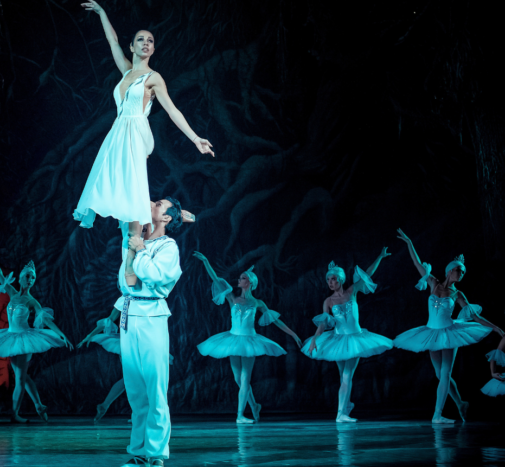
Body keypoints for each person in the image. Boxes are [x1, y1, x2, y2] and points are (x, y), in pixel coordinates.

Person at [74, 0, 212, 284]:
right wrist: (101, 12)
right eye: (141, 40)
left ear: (153, 49)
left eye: (150, 41)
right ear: (132, 46)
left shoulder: (153, 77)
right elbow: (112, 41)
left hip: (136, 133)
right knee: (122, 193)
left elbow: (172, 110)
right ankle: (147, 234)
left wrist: (195, 138)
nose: (146, 43)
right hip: (118, 134)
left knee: (134, 195)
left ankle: (131, 262)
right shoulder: (126, 71)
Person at [394, 229, 503, 423]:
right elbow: (417, 263)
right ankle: (460, 404)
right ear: (450, 270)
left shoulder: (458, 294)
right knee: (440, 374)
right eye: (459, 270)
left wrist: (495, 327)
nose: (461, 274)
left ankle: (437, 415)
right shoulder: (433, 283)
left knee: (445, 373)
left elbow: (475, 316)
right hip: (431, 332)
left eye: (463, 272)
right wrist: (409, 242)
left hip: (450, 333)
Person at [193, 254, 301, 423]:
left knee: (245, 378)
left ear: (249, 282)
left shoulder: (258, 303)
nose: (239, 280)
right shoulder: (232, 298)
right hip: (233, 339)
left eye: (242, 278)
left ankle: (240, 415)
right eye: (240, 277)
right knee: (238, 379)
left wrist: (293, 334)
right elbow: (216, 279)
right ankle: (254, 405)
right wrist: (206, 261)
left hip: (250, 340)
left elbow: (276, 321)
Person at [116, 198, 183, 467]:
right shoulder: (136, 237)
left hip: (152, 316)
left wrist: (140, 249)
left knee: (155, 388)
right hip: (129, 314)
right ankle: (138, 452)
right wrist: (135, 245)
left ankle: (155, 454)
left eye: (159, 204)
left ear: (167, 218)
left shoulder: (168, 246)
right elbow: (125, 281)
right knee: (135, 391)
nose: (152, 203)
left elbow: (154, 275)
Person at [0, 246, 73, 423]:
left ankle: (15, 414)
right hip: (11, 337)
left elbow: (47, 320)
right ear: (21, 277)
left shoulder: (32, 301)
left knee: (20, 379)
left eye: (33, 278)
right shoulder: (12, 293)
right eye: (28, 276)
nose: (30, 280)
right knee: (22, 376)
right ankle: (39, 405)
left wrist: (61, 335)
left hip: (24, 339)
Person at [302, 248, 394, 423]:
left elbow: (367, 273)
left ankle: (341, 414)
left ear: (341, 279)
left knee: (347, 376)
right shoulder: (328, 301)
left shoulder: (352, 291)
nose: (330, 282)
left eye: (333, 279)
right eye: (328, 279)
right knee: (343, 376)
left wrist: (380, 256)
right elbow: (323, 323)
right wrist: (314, 339)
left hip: (355, 339)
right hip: (337, 340)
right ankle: (346, 406)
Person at [77, 306, 174, 423]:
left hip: (143, 343)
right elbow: (109, 319)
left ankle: (109, 406)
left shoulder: (146, 301)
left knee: (133, 379)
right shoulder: (125, 301)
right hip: (130, 344)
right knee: (135, 379)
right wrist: (89, 335)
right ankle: (140, 413)